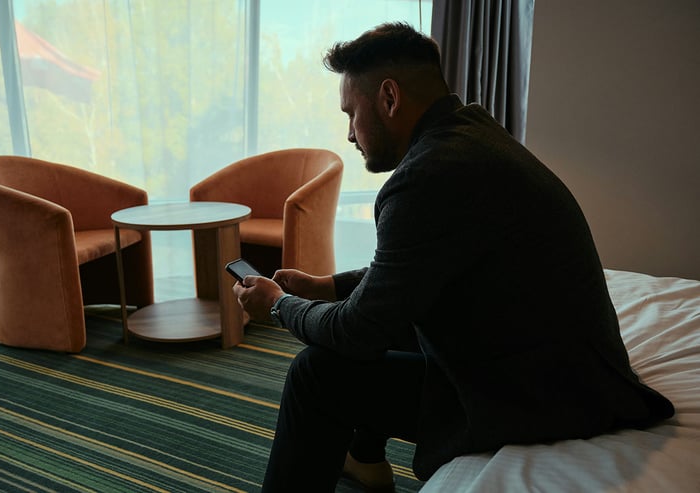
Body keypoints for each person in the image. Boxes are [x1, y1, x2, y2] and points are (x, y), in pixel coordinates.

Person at [233, 22, 674, 493]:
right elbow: (415, 270)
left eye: (351, 114)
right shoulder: (472, 134)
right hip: (567, 366)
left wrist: (279, 305)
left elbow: (358, 333)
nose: (349, 134)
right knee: (400, 313)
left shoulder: (428, 176)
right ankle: (364, 459)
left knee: (317, 373)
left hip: (547, 395)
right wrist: (327, 287)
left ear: (389, 99)